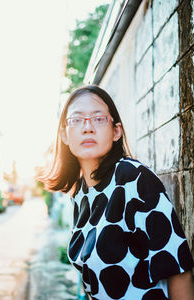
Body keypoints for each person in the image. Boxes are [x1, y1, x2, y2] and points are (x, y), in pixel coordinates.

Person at [41, 85, 194, 299]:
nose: (88, 127)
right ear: (64, 135)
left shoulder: (133, 178)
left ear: (116, 131)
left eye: (98, 118)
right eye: (76, 119)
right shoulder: (81, 193)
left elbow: (178, 269)